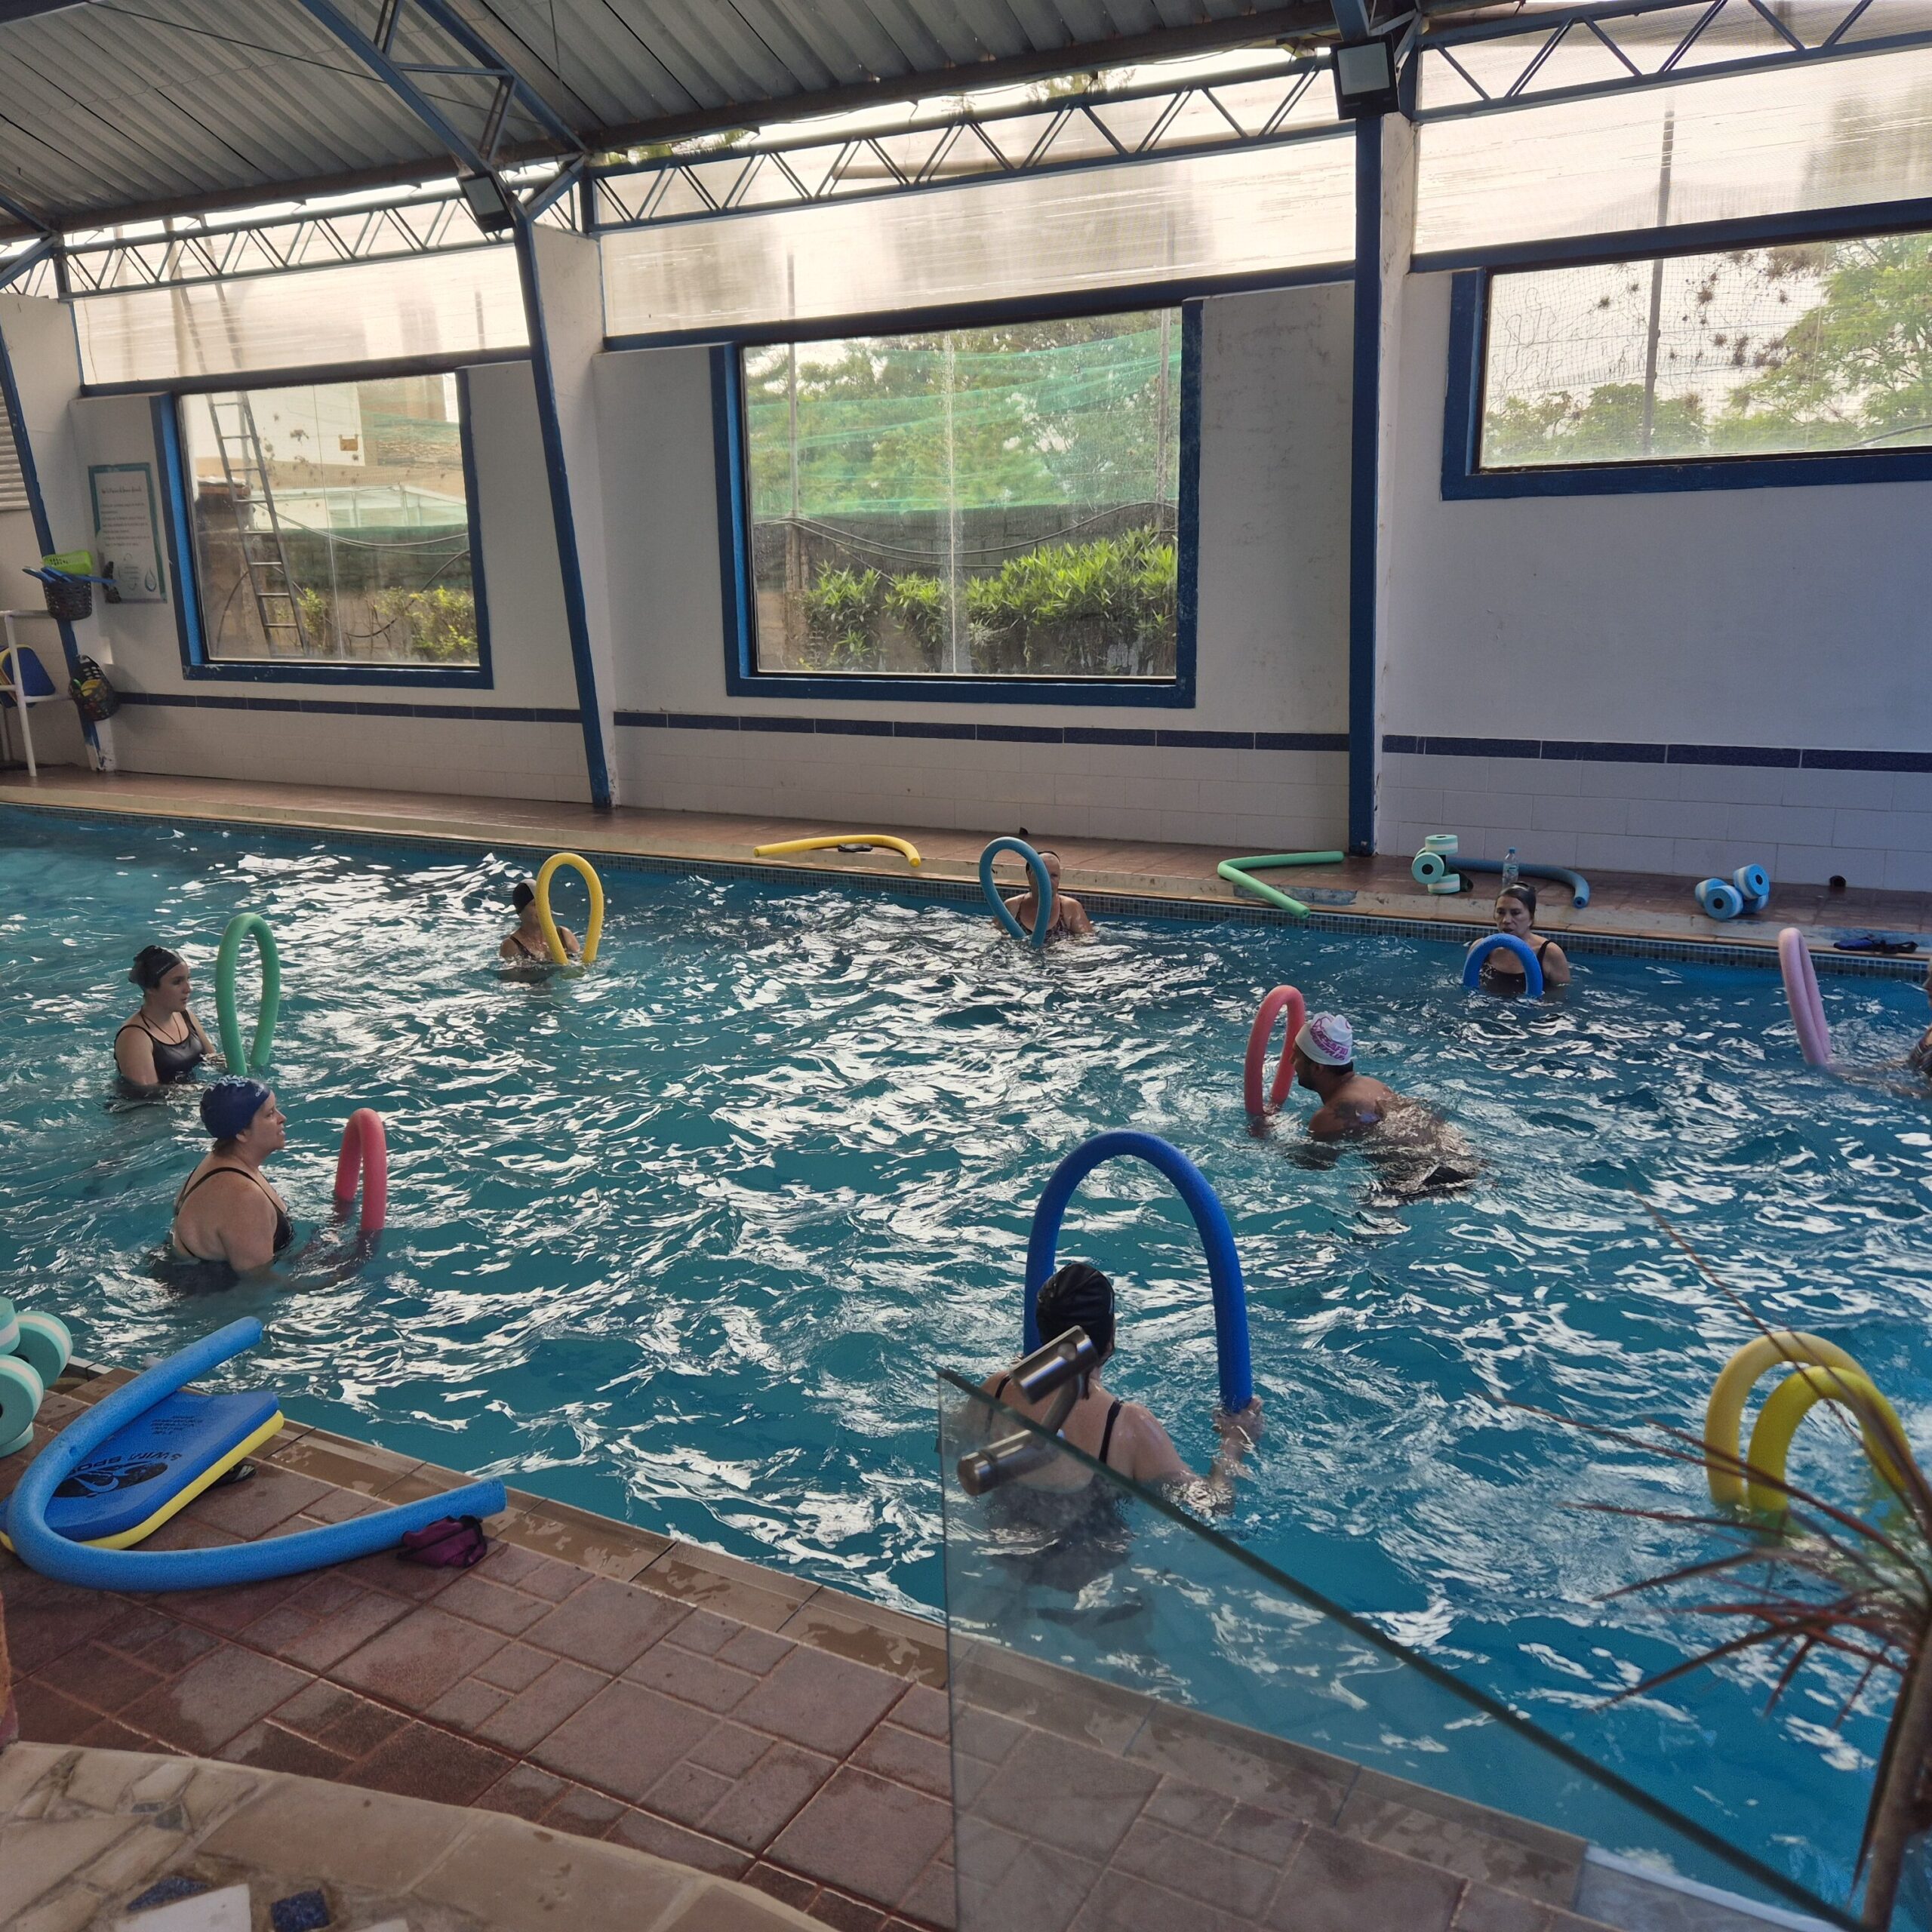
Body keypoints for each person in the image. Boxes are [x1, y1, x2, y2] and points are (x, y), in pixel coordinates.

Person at [978, 1262, 1260, 1512]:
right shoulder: (1128, 1426)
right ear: (1110, 1339)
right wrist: (1234, 1442)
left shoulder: (997, 1389)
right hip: (1088, 1556)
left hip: (999, 1547)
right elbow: (1213, 1505)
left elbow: (958, 1446)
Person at [1293, 1011, 1479, 1194]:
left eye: (1296, 1056)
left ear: (1318, 1068)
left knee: (1367, 1202)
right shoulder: (1372, 1085)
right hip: (1460, 1153)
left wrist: (1275, 1135)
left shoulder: (1329, 1116)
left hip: (1433, 1173)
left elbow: (1315, 1166)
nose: (1291, 1061)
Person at [171, 1078, 294, 1274]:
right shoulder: (243, 1197)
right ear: (242, 1132)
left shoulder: (219, 1161)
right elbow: (259, 1283)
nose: (282, 1118)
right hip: (212, 1292)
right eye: (270, 1114)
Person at [115, 946, 214, 1088]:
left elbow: (211, 1058)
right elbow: (148, 1093)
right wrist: (199, 1090)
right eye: (177, 982)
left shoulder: (186, 1016)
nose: (188, 989)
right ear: (151, 988)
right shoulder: (135, 1036)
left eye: (188, 979)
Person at [1481, 882, 1571, 994]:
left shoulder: (1550, 953)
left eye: (1515, 913)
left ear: (1531, 918)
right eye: (1501, 912)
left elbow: (1561, 996)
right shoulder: (1481, 949)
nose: (1506, 920)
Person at [999, 848, 1094, 941]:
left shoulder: (1070, 908)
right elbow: (994, 937)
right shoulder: (1013, 906)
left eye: (1054, 876)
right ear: (1029, 875)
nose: (1047, 881)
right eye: (1041, 874)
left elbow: (1087, 942)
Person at [500, 881, 580, 964]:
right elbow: (512, 973)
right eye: (535, 905)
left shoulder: (563, 935)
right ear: (521, 912)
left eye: (545, 902)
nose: (542, 908)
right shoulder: (512, 945)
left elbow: (583, 966)